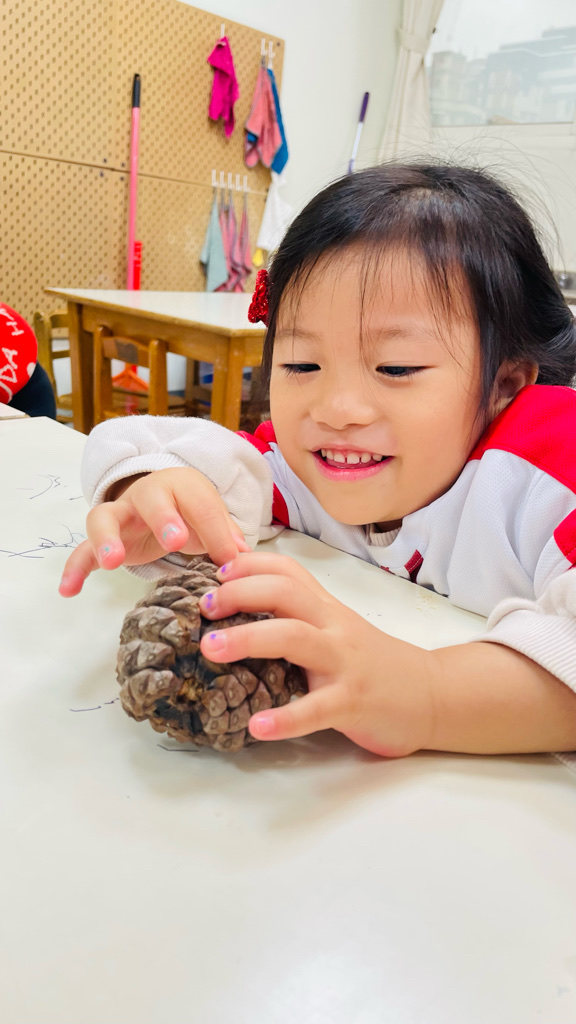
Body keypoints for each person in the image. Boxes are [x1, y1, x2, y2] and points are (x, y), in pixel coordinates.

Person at [60, 163, 576, 757]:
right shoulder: (307, 467)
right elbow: (218, 463)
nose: (336, 410)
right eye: (302, 365)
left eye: (396, 368)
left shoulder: (544, 470)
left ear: (504, 384)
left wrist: (427, 694)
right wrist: (155, 487)